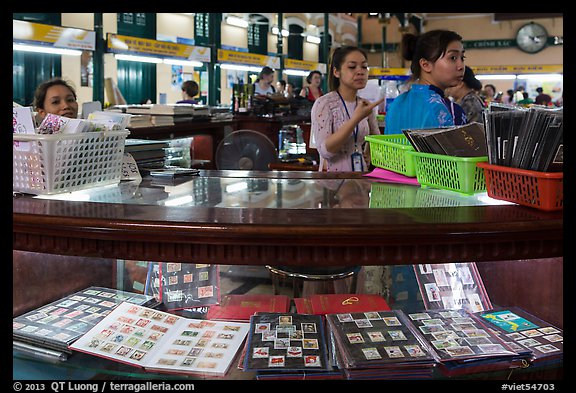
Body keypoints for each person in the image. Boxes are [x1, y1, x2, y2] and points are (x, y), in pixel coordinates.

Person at [311, 46, 384, 172]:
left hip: (360, 179)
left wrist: (369, 151)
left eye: (364, 67)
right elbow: (325, 151)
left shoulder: (364, 105)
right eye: (352, 67)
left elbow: (376, 139)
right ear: (336, 72)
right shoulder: (324, 104)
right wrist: (355, 119)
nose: (360, 71)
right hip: (333, 182)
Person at [384, 29, 467, 135]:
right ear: (425, 65)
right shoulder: (450, 112)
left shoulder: (396, 104)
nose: (461, 66)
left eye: (462, 58)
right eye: (453, 58)